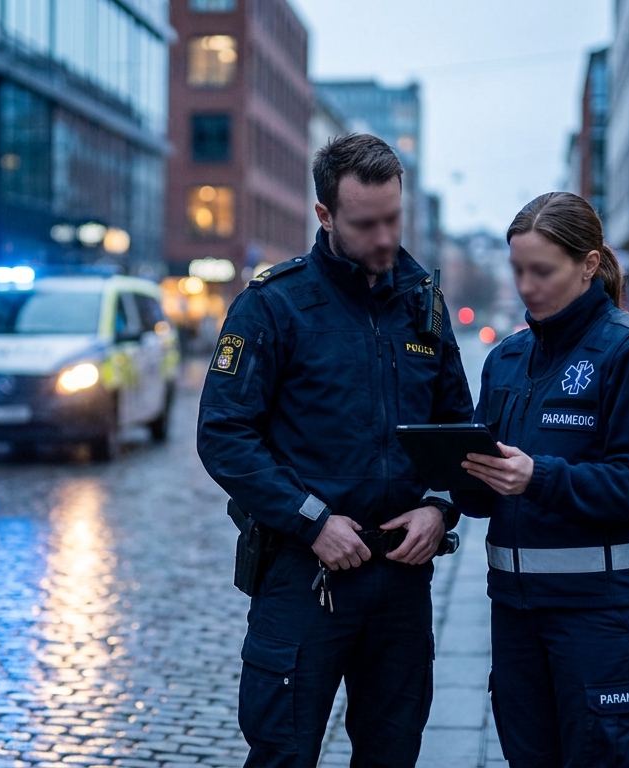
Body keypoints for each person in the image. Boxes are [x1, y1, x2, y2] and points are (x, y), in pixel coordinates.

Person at [197, 133, 475, 768]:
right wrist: (311, 520)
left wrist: (439, 509)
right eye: (366, 223)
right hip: (304, 578)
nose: (385, 239)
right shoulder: (273, 305)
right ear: (325, 216)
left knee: (391, 754)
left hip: (402, 580)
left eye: (393, 219)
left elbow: (455, 429)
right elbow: (223, 434)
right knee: (283, 754)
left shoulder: (422, 304)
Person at [458, 192, 629, 767]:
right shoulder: (507, 358)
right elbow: (487, 493)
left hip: (600, 619)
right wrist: (459, 476)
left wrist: (538, 478)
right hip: (515, 615)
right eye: (518, 271)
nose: (526, 286)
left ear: (588, 265)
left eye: (543, 271)